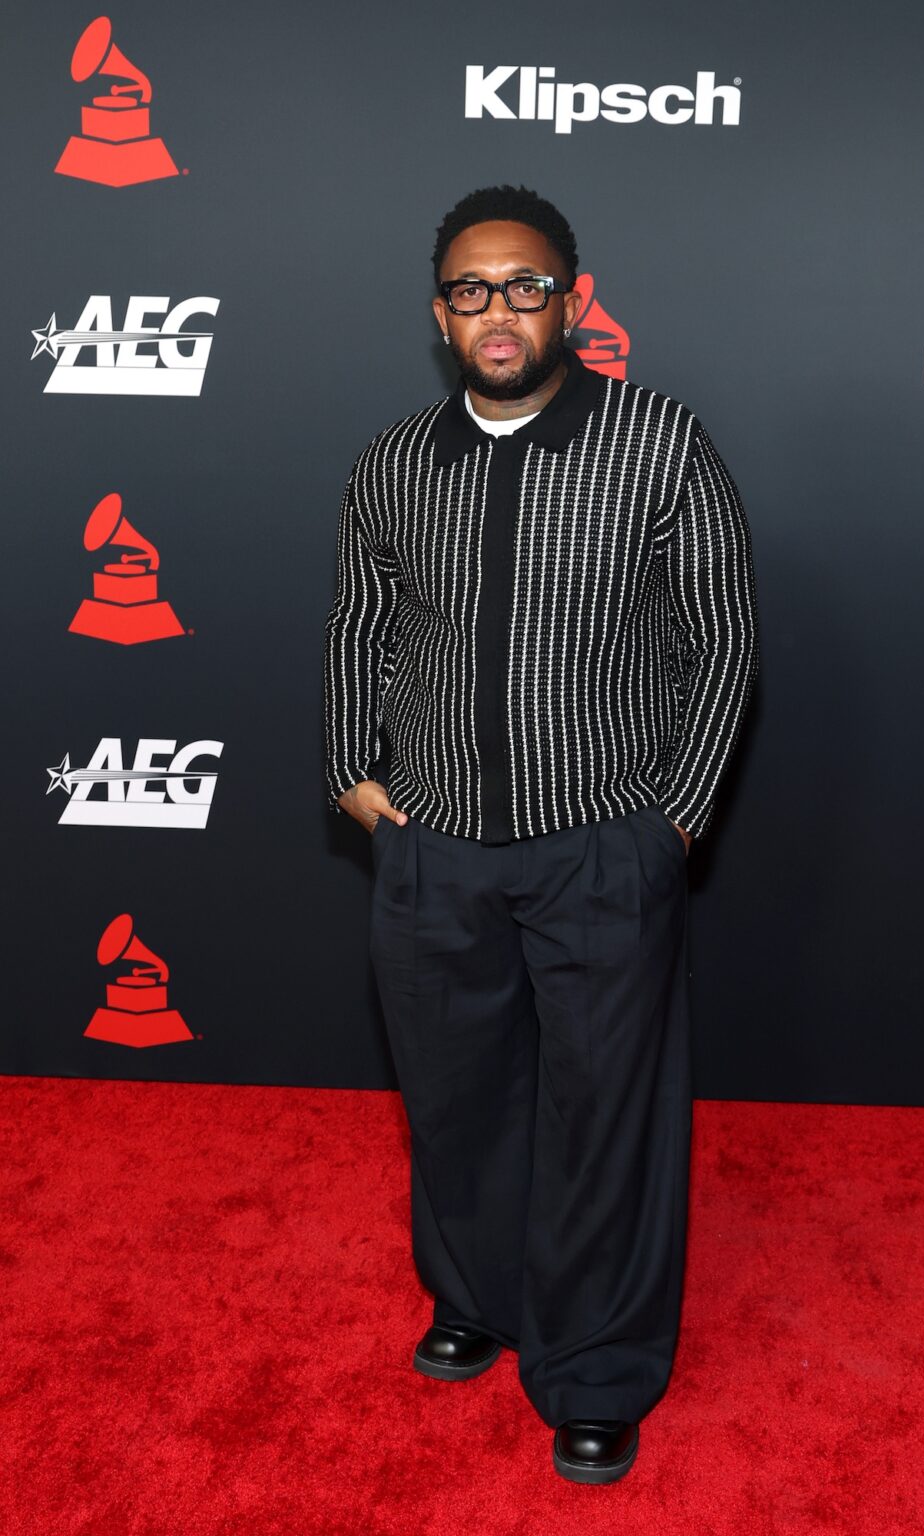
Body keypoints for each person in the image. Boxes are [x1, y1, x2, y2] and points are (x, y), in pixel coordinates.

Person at [323, 184, 758, 1484]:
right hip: (433, 846)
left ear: (570, 296)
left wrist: (674, 815)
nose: (497, 310)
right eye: (471, 290)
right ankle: (478, 1297)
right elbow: (362, 623)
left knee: (603, 1114)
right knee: (456, 1102)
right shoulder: (393, 462)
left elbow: (721, 639)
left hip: (602, 844)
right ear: (439, 313)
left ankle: (599, 1367)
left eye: (523, 285)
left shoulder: (659, 442)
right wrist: (353, 766)